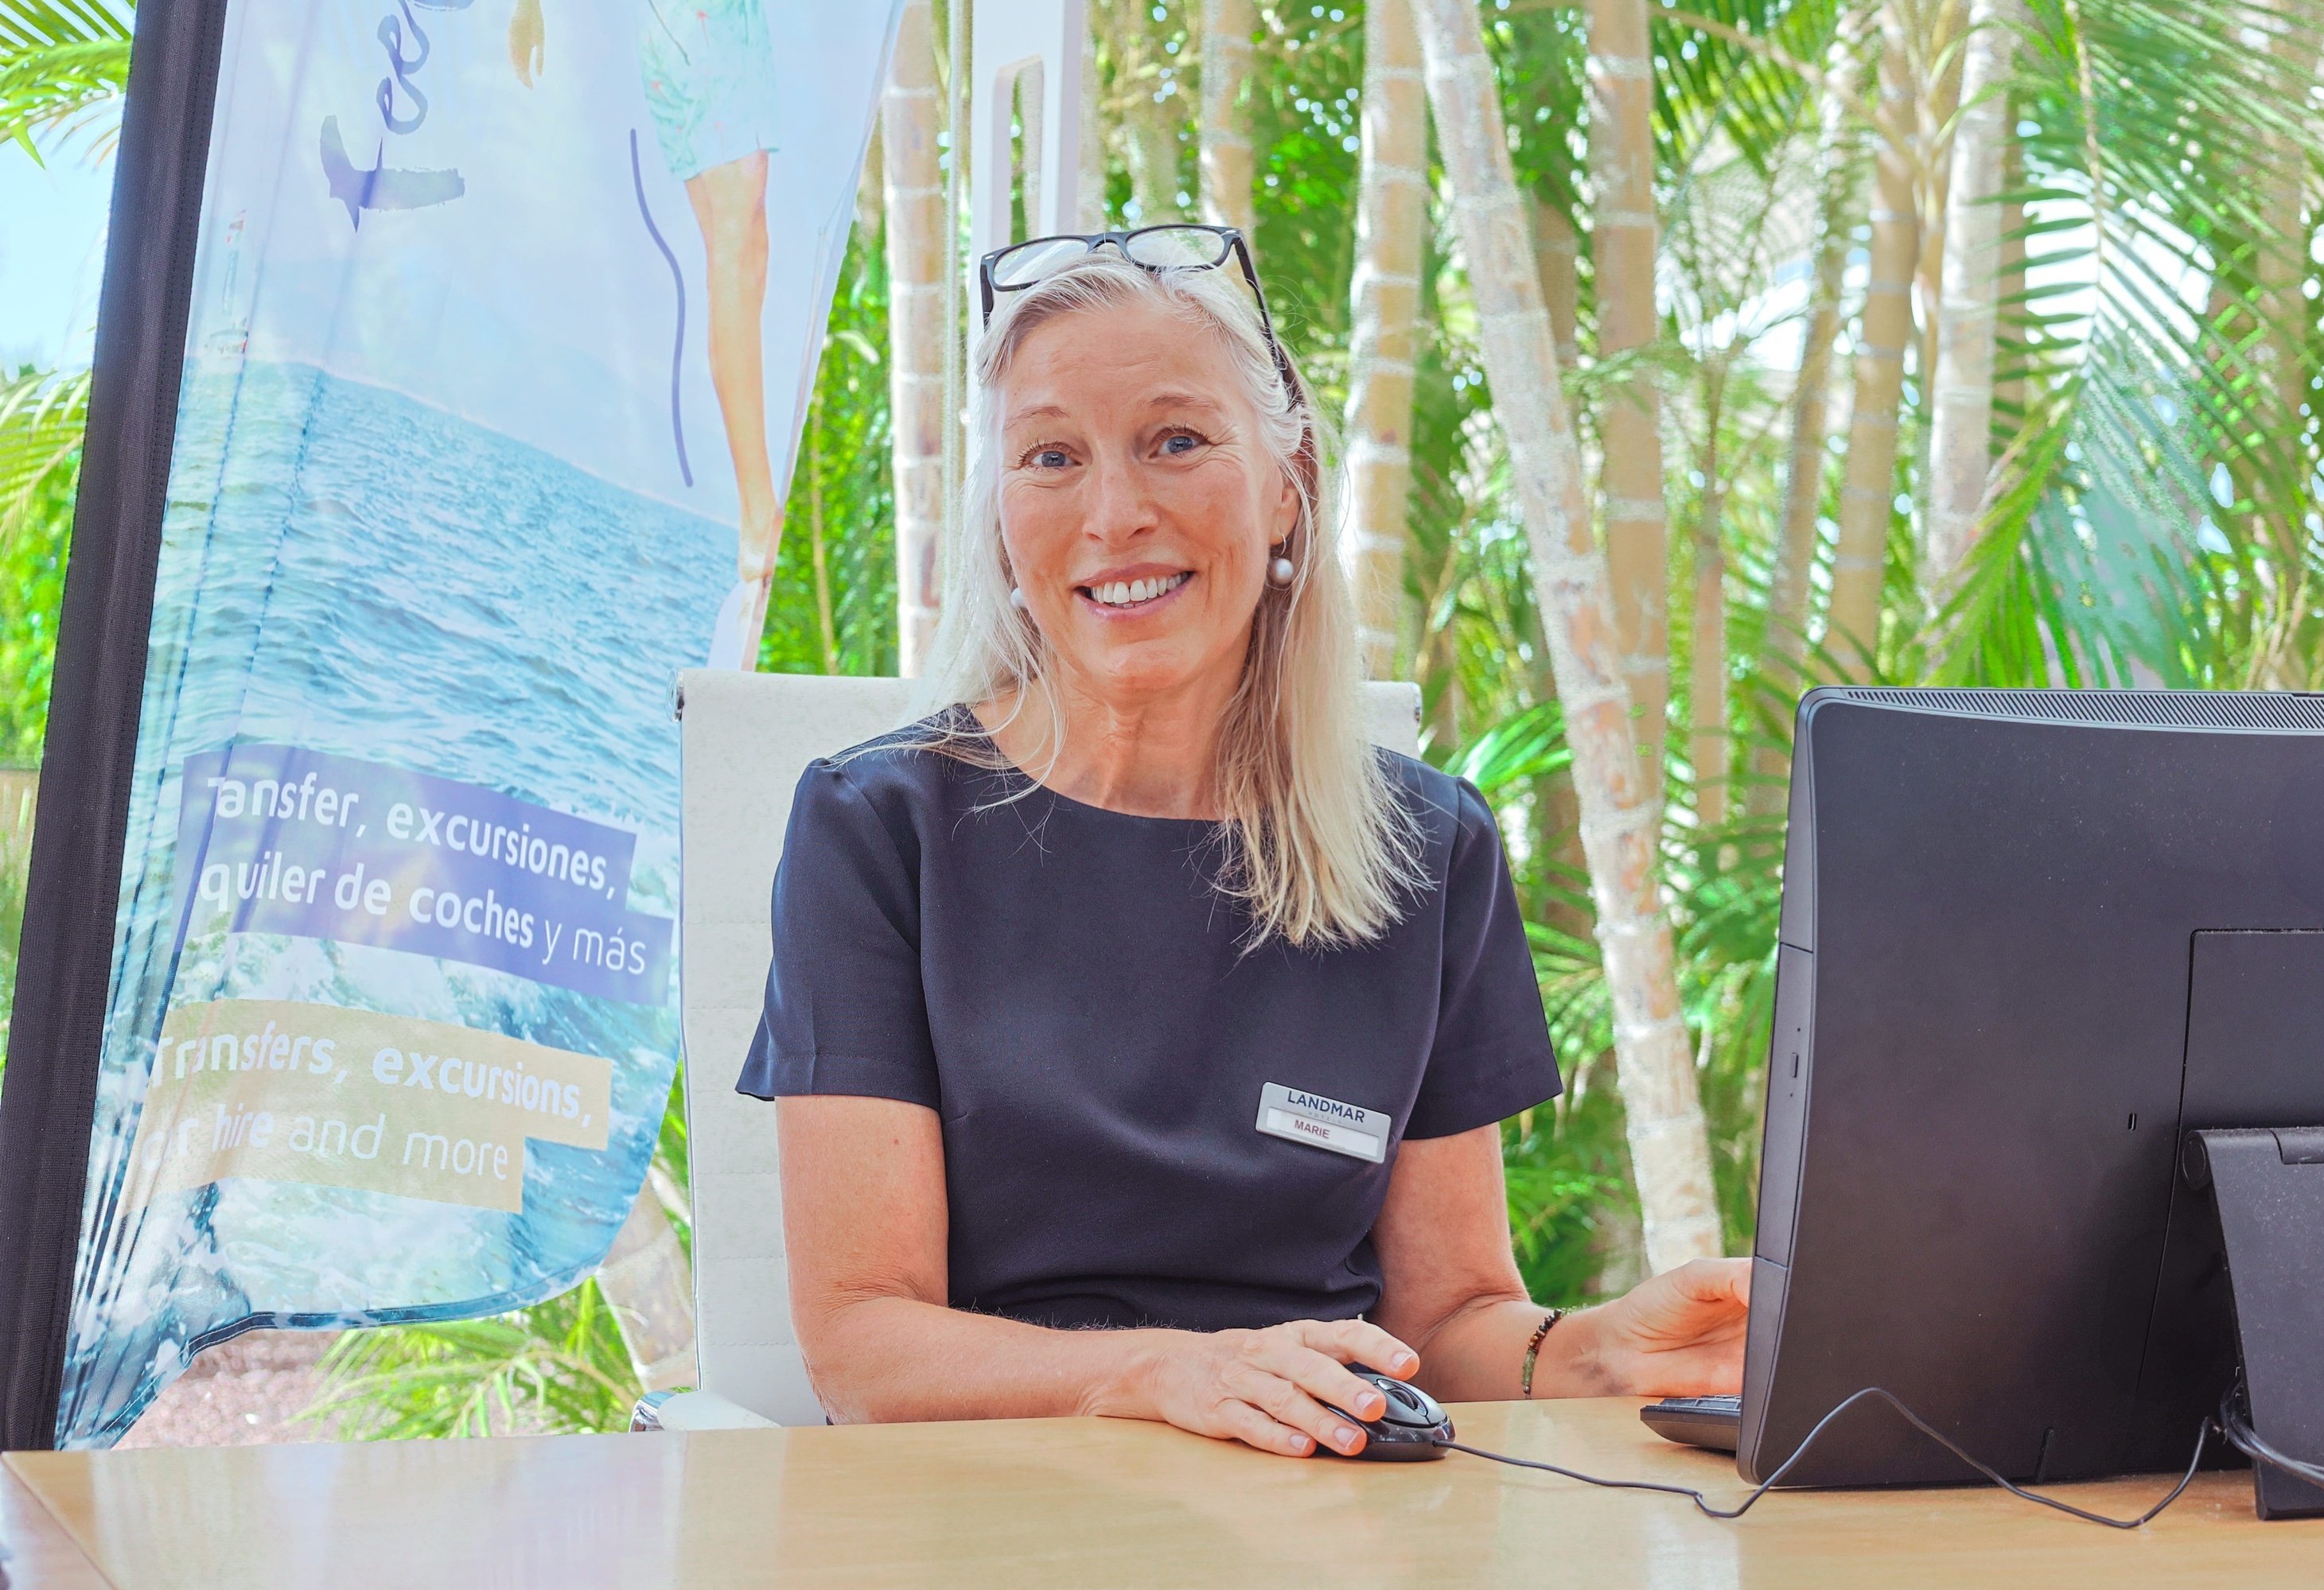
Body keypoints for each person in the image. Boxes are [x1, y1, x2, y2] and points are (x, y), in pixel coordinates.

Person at [741, 227, 1749, 1458]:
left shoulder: (1427, 849)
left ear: (1286, 485)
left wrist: (1591, 1347)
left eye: (1177, 440)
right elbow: (862, 1343)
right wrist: (1171, 1373)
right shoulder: (877, 827)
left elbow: (1449, 1318)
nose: (1116, 512)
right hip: (992, 1498)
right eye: (1052, 455)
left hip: (1332, 1503)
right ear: (1002, 518)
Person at [509, 0, 781, 667]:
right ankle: (756, 510)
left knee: (745, 249)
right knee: (733, 249)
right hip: (698, 29)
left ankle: (757, 507)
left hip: (701, 30)